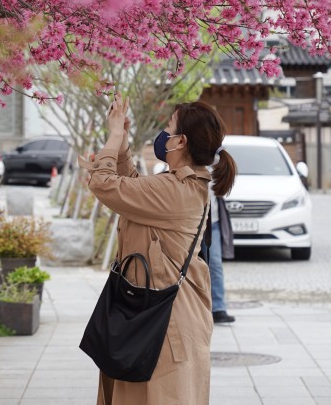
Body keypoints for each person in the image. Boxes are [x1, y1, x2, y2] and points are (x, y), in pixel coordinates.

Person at [81, 95, 237, 405]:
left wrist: (113, 135)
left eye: (168, 129)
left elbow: (105, 185)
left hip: (165, 328)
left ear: (180, 142)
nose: (162, 136)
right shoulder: (176, 185)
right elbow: (134, 188)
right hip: (155, 317)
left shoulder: (177, 190)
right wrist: (122, 144)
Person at [204, 190, 236, 324]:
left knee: (215, 264)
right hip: (190, 221)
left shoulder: (219, 168)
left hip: (213, 223)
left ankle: (218, 309)